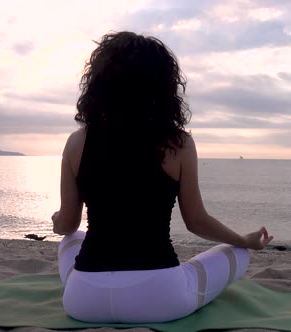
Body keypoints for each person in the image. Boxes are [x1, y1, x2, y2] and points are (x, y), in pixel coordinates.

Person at [51, 31, 273, 323]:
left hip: (83, 302)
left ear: (99, 84)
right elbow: (197, 222)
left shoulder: (77, 142)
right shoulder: (178, 144)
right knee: (239, 254)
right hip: (159, 297)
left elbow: (67, 224)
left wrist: (57, 220)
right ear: (163, 87)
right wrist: (244, 240)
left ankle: (94, 289)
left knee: (70, 239)